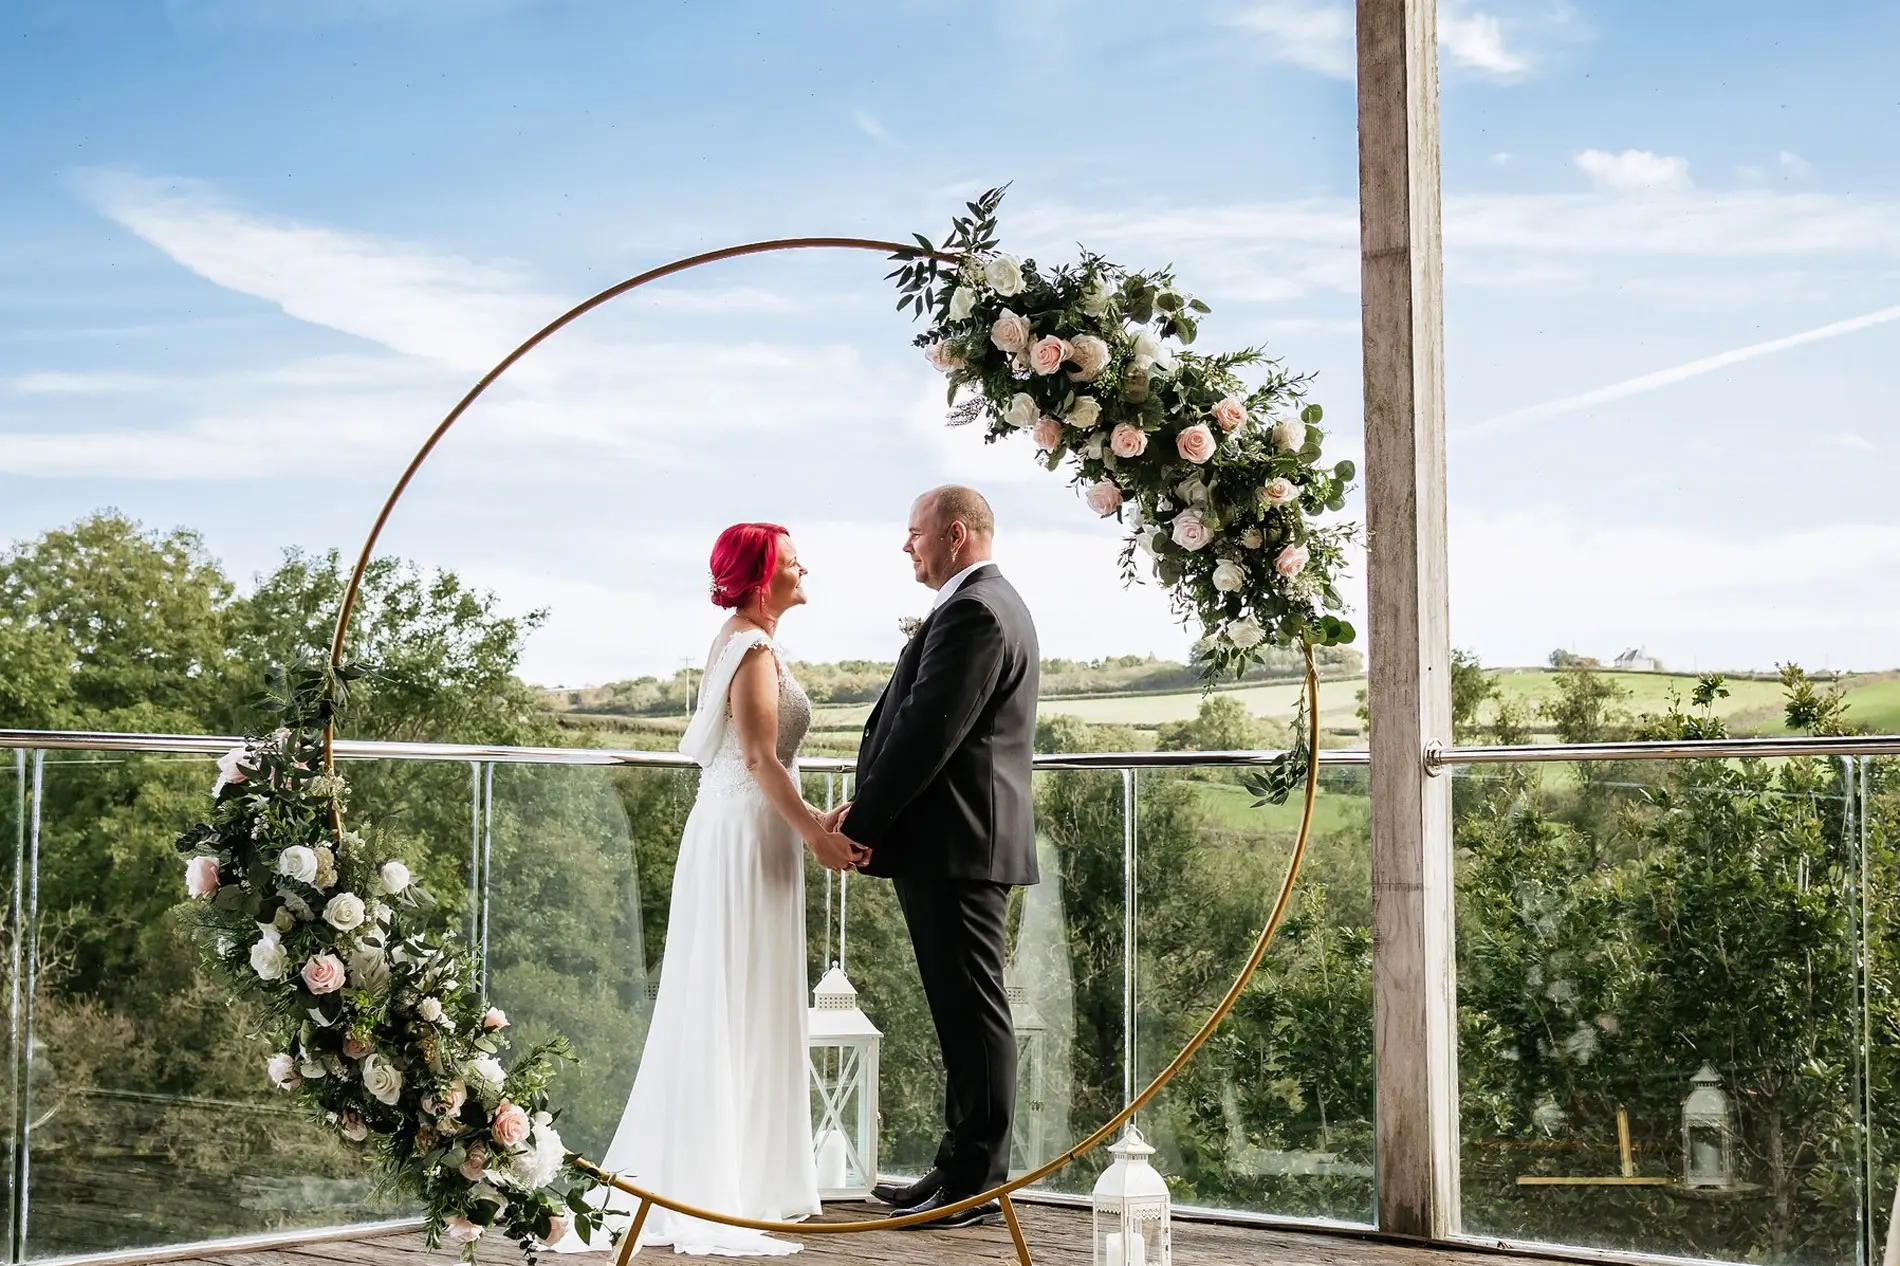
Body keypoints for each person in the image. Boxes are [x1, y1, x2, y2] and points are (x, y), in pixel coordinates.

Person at [561, 522, 864, 1257]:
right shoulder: (752, 648)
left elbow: (768, 763)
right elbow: (759, 759)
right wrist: (816, 836)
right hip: (743, 834)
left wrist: (811, 819)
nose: (804, 570)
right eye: (793, 563)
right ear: (764, 580)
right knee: (735, 993)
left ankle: (749, 1177)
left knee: (750, 994)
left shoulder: (749, 640)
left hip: (755, 829)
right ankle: (721, 1186)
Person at [824, 485, 1041, 1231]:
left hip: (959, 846)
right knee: (961, 1013)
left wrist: (863, 824)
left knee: (975, 1014)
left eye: (914, 533)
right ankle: (956, 1168)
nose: (905, 546)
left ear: (954, 534)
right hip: (956, 843)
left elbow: (928, 732)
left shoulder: (977, 611)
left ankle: (976, 1184)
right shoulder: (981, 603)